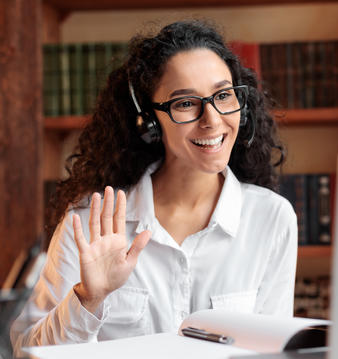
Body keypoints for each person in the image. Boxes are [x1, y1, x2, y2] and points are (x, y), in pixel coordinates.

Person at [10, 20, 297, 355]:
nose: (213, 120)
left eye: (223, 95)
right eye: (186, 103)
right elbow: (24, 351)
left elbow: (279, 351)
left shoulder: (272, 218)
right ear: (148, 121)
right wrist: (87, 299)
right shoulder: (90, 220)